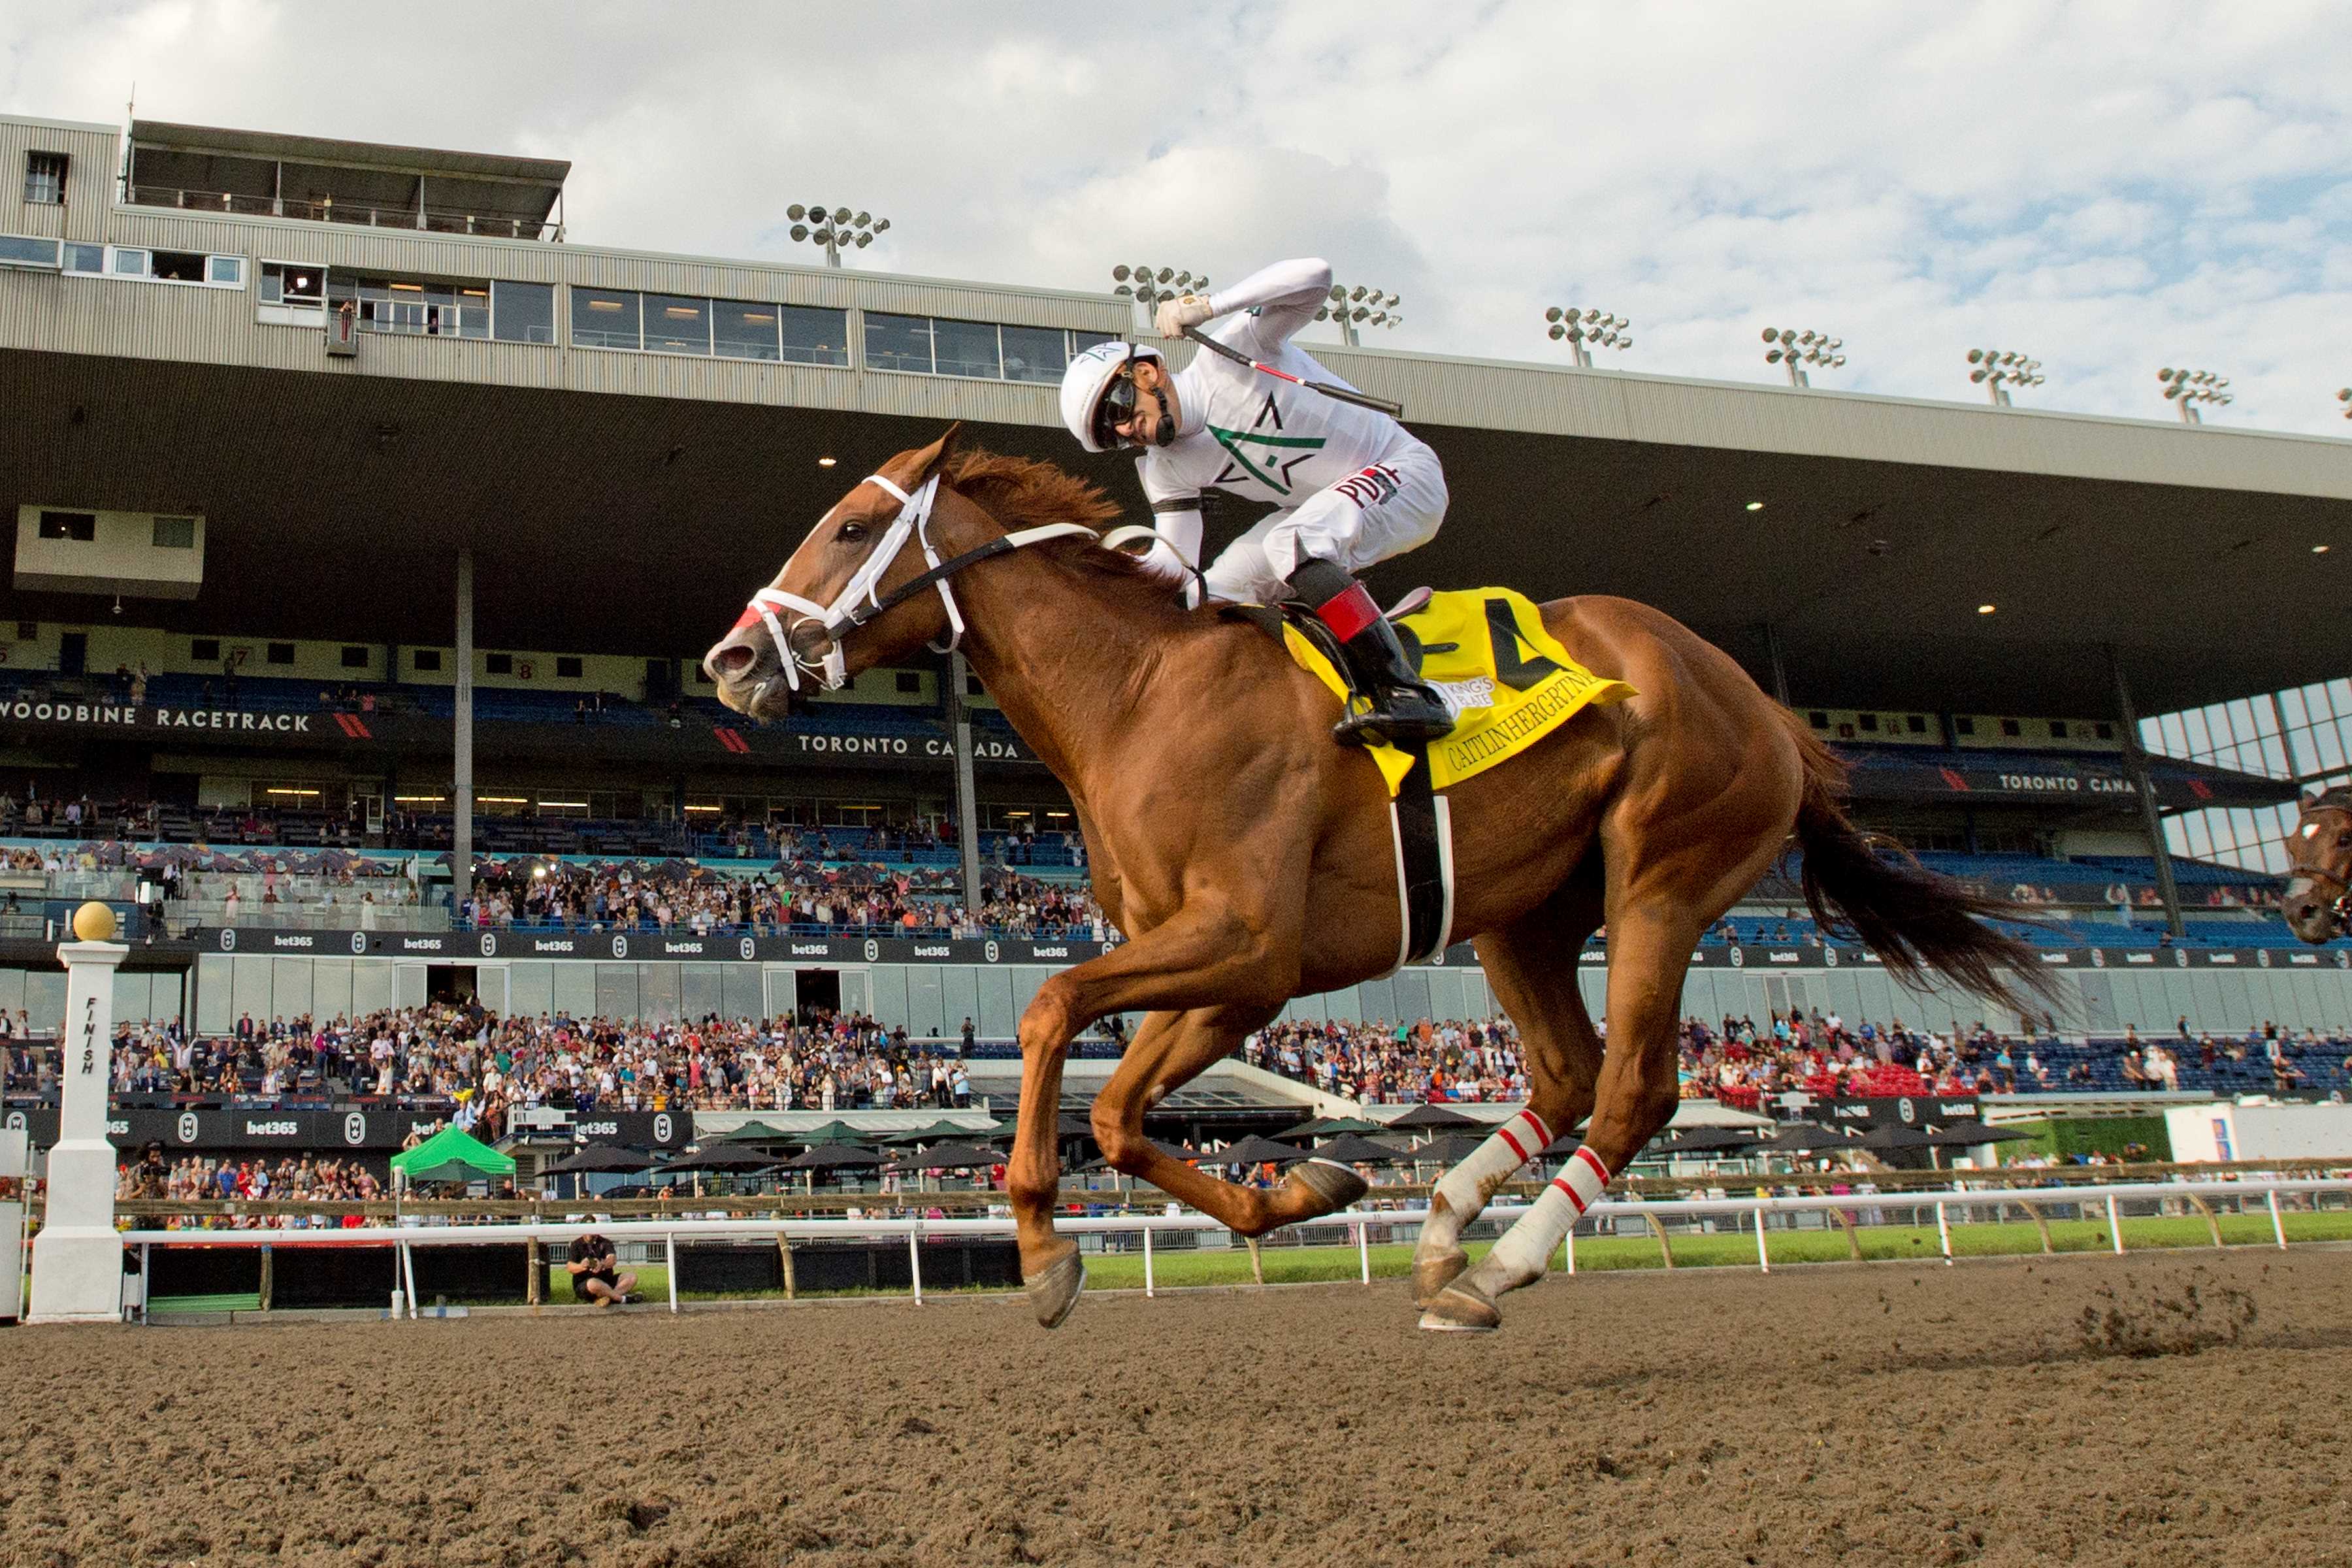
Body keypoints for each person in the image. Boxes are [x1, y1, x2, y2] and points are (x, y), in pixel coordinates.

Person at [1056, 255, 1452, 747]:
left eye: (1116, 409)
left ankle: (1404, 691)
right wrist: (1105, 574)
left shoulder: (1233, 349)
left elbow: (1316, 275)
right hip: (1323, 506)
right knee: (1212, 596)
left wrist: (1209, 306)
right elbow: (1177, 570)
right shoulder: (1166, 469)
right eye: (1109, 434)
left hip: (1405, 472)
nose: (1123, 430)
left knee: (1292, 541)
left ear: (1146, 372)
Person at [566, 1232, 638, 1307]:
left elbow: (612, 1259)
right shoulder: (576, 1245)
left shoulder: (605, 1242)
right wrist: (582, 1266)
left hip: (607, 1281)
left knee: (632, 1277)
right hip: (586, 1285)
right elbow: (570, 1267)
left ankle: (608, 1297)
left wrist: (602, 1264)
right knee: (593, 1283)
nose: (590, 1234)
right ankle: (622, 1299)